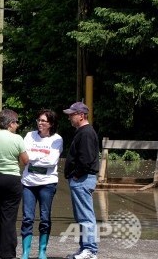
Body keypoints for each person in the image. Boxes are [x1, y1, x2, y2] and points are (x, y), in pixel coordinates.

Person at [0, 109, 29, 259]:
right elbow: (25, 160)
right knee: (8, 217)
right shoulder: (17, 139)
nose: (17, 125)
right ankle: (7, 253)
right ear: (10, 123)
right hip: (11, 180)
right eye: (16, 122)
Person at [21, 109, 63, 259]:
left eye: (43, 121)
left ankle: (42, 252)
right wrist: (41, 156)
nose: (40, 123)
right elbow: (24, 157)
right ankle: (25, 252)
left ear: (50, 124)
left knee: (45, 218)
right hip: (28, 183)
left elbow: (52, 161)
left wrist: (33, 158)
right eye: (38, 120)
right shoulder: (29, 136)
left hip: (48, 183)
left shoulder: (57, 139)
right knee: (27, 218)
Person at [63, 102, 100, 259]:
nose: (70, 117)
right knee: (81, 216)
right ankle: (84, 248)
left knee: (85, 215)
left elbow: (86, 159)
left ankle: (90, 250)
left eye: (72, 114)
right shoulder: (82, 132)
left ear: (82, 115)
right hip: (81, 179)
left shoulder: (86, 133)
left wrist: (76, 174)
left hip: (83, 179)